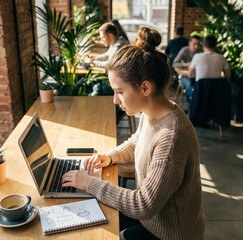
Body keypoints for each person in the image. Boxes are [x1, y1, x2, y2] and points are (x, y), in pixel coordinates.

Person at [61, 27, 205, 240]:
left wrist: (89, 183)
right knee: (86, 214)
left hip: (171, 233)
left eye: (119, 91)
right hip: (154, 219)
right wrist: (109, 157)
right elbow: (138, 141)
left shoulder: (172, 137)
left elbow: (143, 205)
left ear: (145, 88)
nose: (114, 99)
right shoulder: (153, 113)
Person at [172, 35, 202, 103]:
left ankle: (195, 100)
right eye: (194, 44)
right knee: (189, 84)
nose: (196, 46)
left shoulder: (201, 51)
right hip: (185, 76)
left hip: (198, 75)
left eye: (198, 44)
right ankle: (193, 102)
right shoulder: (185, 50)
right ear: (189, 43)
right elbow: (175, 63)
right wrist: (187, 64)